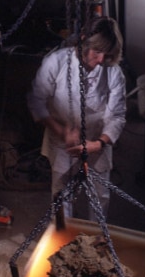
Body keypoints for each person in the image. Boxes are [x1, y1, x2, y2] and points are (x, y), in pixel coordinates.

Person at [27, 16, 126, 220]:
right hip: (63, 142)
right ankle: (61, 238)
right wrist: (61, 130)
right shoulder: (56, 62)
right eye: (97, 51)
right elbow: (36, 100)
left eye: (106, 54)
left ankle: (97, 239)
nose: (100, 60)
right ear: (83, 39)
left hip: (97, 141)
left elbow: (116, 115)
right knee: (62, 196)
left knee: (100, 196)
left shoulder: (113, 72)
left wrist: (99, 144)